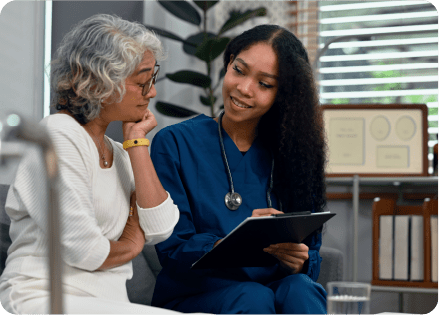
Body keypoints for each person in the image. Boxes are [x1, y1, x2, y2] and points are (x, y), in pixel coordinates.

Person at [0, 14, 185, 314]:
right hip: (42, 297)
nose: (151, 91)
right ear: (101, 83)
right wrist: (133, 240)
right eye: (143, 81)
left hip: (104, 303)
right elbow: (86, 252)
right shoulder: (56, 136)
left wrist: (137, 144)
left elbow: (162, 226)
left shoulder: (118, 153)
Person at [150, 24, 328, 314]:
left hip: (274, 288)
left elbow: (311, 249)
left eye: (265, 84)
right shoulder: (174, 143)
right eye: (239, 70)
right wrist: (234, 242)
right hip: (196, 292)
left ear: (283, 95)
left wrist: (302, 260)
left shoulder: (294, 155)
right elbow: (171, 246)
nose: (244, 88)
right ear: (228, 62)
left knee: (301, 290)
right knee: (252, 296)